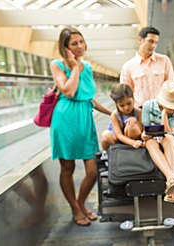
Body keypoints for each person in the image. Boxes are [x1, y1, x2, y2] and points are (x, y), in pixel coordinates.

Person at [50, 27, 112, 226]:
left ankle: (81, 203)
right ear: (66, 47)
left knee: (92, 170)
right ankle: (76, 209)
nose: (80, 46)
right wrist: (74, 67)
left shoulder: (89, 66)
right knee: (67, 167)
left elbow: (89, 97)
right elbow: (68, 91)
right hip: (66, 117)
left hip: (85, 118)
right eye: (74, 43)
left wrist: (113, 113)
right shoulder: (57, 65)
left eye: (81, 41)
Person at [141, 80, 174, 203]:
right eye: (172, 107)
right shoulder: (147, 106)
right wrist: (145, 135)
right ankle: (172, 181)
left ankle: (170, 181)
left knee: (168, 139)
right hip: (151, 138)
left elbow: (169, 132)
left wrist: (164, 114)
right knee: (150, 143)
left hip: (168, 138)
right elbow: (145, 128)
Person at [120, 26, 174, 108]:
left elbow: (171, 86)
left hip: (161, 110)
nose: (153, 46)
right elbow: (125, 94)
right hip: (140, 112)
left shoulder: (164, 61)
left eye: (156, 42)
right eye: (150, 41)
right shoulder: (128, 66)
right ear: (140, 40)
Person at [100, 84, 144, 151]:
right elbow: (119, 135)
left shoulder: (139, 112)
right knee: (106, 135)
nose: (126, 107)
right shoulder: (115, 115)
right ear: (117, 105)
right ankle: (110, 154)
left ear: (133, 99)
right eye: (122, 105)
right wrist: (133, 143)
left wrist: (135, 121)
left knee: (131, 126)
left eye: (129, 103)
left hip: (136, 142)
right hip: (120, 142)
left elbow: (144, 130)